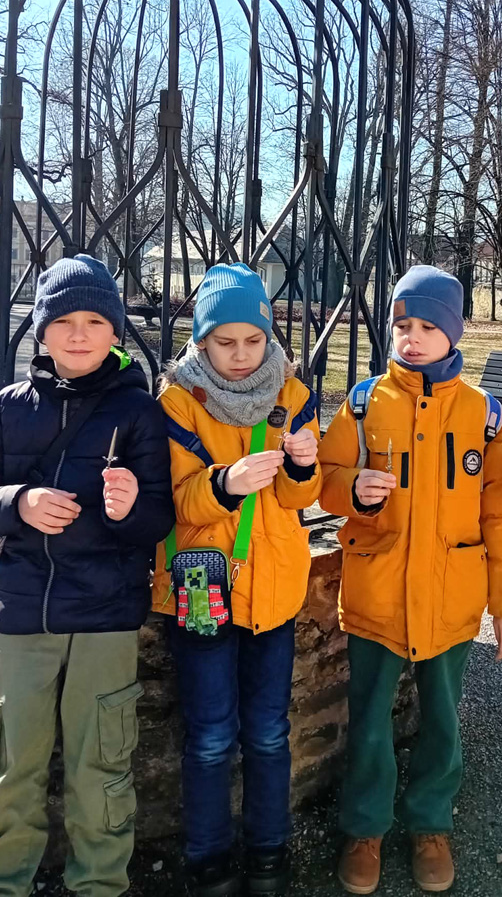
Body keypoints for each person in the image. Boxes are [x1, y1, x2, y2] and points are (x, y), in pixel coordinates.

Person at [0, 254, 175, 897]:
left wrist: (128, 509)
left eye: (95, 322)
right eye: (64, 322)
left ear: (115, 332)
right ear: (42, 331)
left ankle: (100, 883)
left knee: (101, 767)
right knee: (10, 764)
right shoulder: (8, 407)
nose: (79, 335)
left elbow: (158, 520)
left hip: (105, 618)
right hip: (22, 615)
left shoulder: (137, 412)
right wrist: (19, 502)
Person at [317, 264, 502, 895]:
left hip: (452, 598)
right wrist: (352, 489)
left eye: (427, 327)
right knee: (370, 719)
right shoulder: (364, 403)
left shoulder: (483, 415)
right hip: (378, 595)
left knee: (442, 718)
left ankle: (431, 824)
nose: (412, 338)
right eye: (402, 325)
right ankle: (365, 828)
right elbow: (325, 479)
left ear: (453, 332)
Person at [153, 262, 322, 897]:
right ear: (201, 341)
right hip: (203, 588)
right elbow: (172, 501)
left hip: (272, 589)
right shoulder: (177, 401)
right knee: (210, 736)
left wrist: (302, 467)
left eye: (254, 339)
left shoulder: (292, 396)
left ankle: (269, 851)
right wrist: (224, 483)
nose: (242, 354)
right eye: (225, 342)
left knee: (270, 732)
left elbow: (301, 498)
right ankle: (208, 858)